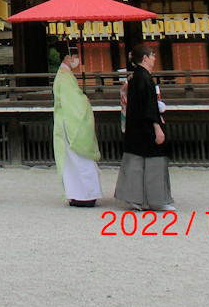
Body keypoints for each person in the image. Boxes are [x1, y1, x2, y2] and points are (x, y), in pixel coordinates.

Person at [114, 44, 174, 212]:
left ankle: (135, 198)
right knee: (153, 163)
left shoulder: (136, 77)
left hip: (136, 127)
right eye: (152, 55)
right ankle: (155, 199)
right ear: (145, 58)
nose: (154, 58)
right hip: (146, 127)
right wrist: (157, 126)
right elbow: (147, 105)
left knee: (136, 163)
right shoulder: (143, 78)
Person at [53, 45, 103, 207]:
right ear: (67, 57)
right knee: (80, 158)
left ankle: (77, 194)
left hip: (66, 120)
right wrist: (84, 100)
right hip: (71, 122)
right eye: (75, 56)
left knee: (72, 160)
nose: (77, 60)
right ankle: (86, 194)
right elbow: (73, 102)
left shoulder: (65, 75)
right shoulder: (65, 77)